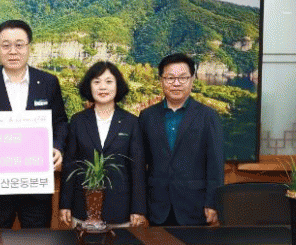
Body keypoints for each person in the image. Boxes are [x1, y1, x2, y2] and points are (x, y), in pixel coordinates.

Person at [0, 19, 68, 229]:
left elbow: (60, 122)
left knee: (38, 242)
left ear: (29, 47)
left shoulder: (48, 82)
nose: (13, 51)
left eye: (19, 45)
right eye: (6, 45)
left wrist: (57, 147)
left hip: (36, 185)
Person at [139, 53, 224, 226]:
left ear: (192, 80)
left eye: (183, 78)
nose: (176, 83)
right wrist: (139, 207)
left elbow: (215, 164)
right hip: (156, 206)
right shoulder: (147, 116)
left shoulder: (208, 116)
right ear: (161, 80)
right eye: (170, 78)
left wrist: (212, 203)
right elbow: (140, 165)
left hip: (195, 206)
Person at [59, 61, 147, 228]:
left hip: (121, 208)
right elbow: (70, 165)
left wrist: (138, 208)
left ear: (117, 86)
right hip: (83, 207)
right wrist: (65, 204)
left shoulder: (131, 122)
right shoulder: (78, 121)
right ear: (89, 87)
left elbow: (137, 168)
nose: (103, 87)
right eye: (97, 82)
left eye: (109, 81)